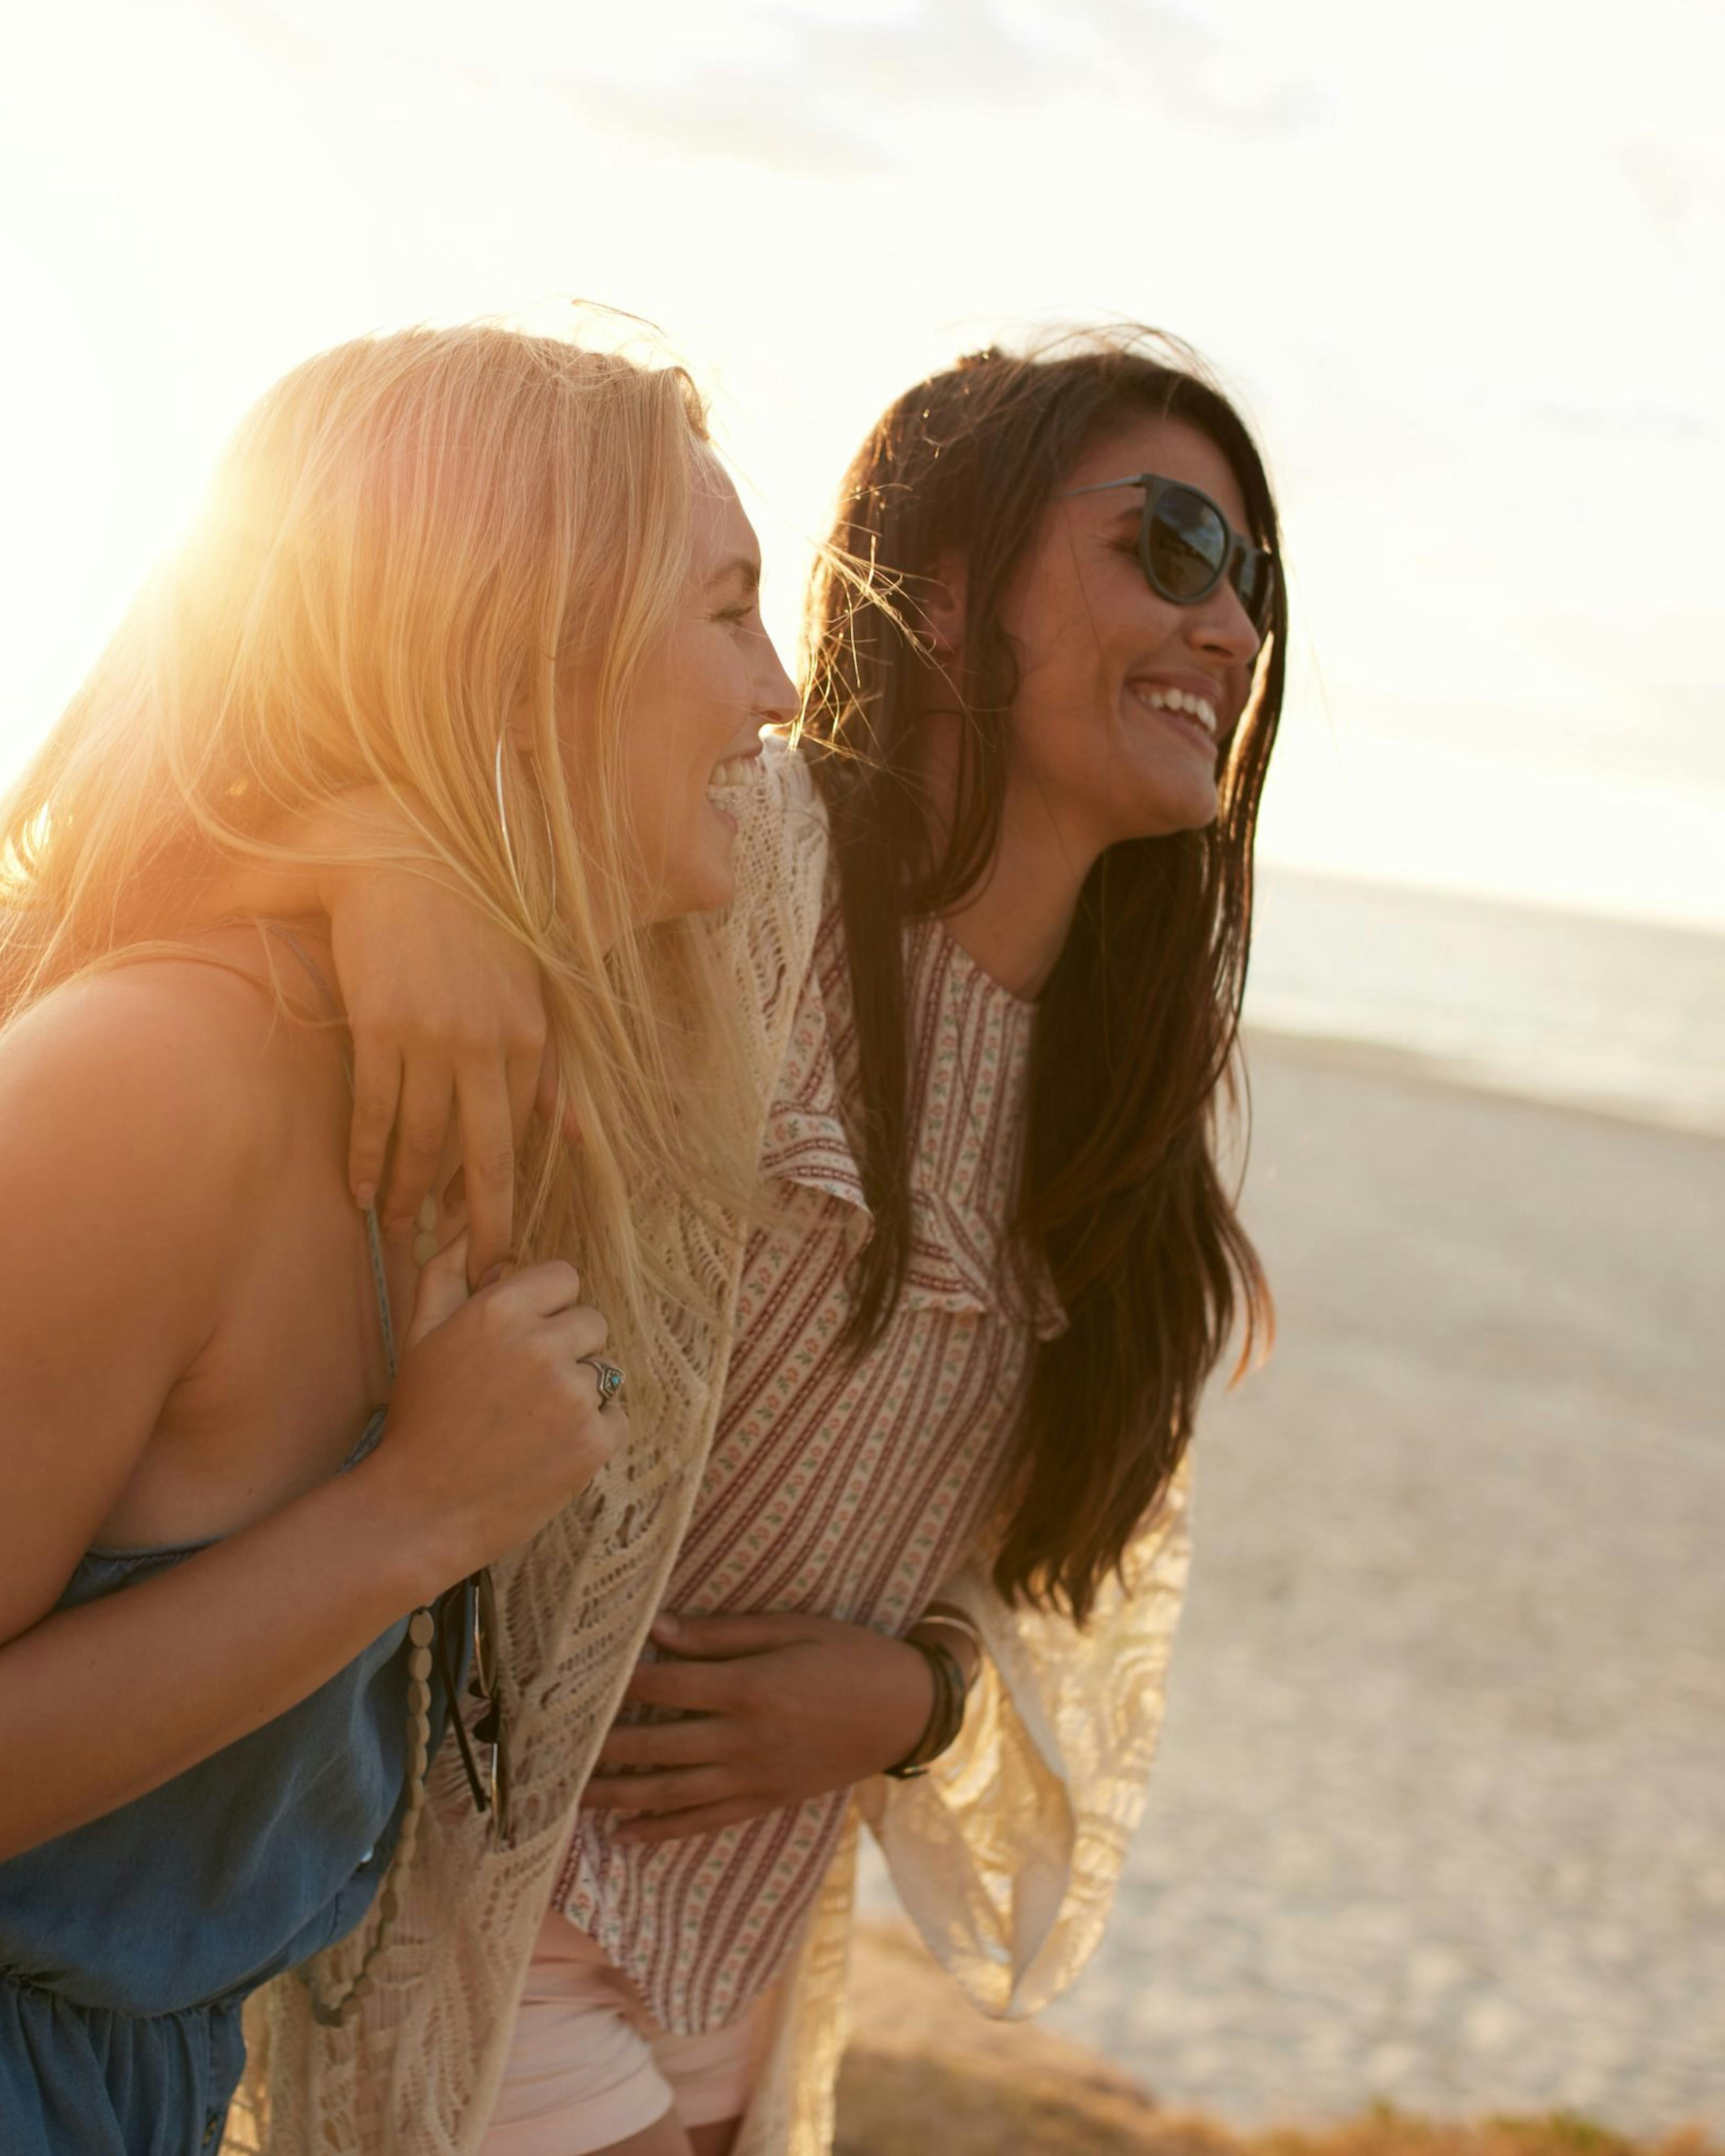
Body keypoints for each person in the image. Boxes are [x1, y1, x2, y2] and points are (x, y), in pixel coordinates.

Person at [246, 328, 1286, 2156]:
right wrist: (367, 858)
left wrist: (914, 1695)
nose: (1229, 626)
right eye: (1174, 549)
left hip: (753, 1972)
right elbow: (304, 761)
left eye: (1251, 582)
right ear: (946, 598)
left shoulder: (1129, 1109)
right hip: (475, 1910)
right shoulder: (732, 862)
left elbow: (1056, 1616)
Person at [0, 320, 795, 2156]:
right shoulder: (164, 1079)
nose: (776, 693)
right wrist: (411, 1516)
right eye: (729, 608)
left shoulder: (431, 1081)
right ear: (524, 655)